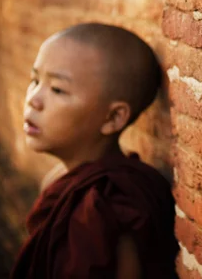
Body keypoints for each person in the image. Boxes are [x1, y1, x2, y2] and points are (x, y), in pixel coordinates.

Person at [11, 23, 178, 278]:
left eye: (57, 89)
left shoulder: (111, 206)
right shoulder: (60, 181)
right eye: (35, 80)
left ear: (113, 118)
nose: (33, 99)